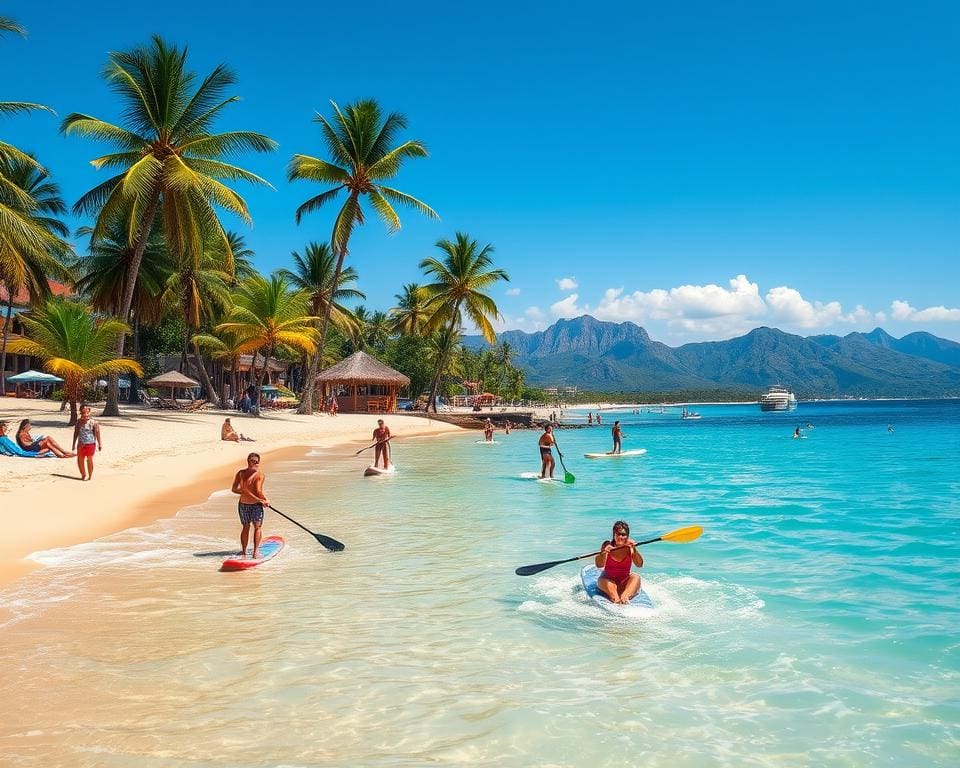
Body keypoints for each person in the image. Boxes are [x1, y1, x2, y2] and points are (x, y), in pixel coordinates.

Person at [595, 520, 643, 604]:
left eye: (623, 535)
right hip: (607, 581)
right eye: (618, 534)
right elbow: (599, 565)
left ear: (627, 536)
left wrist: (634, 549)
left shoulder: (630, 547)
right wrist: (603, 553)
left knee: (636, 577)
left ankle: (625, 598)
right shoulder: (607, 545)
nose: (620, 537)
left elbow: (639, 564)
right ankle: (616, 601)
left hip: (624, 582)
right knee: (611, 585)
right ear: (614, 535)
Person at [231, 452, 269, 559]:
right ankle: (253, 552)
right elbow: (258, 491)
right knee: (256, 527)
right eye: (253, 461)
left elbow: (235, 489)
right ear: (248, 461)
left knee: (250, 527)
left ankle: (246, 552)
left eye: (257, 462)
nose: (256, 463)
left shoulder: (241, 473)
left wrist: (244, 492)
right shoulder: (259, 475)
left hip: (244, 504)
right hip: (253, 505)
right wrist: (264, 500)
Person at [71, 404, 102, 480]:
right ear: (81, 413)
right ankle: (83, 474)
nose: (86, 414)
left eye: (87, 412)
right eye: (84, 412)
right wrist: (73, 443)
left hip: (90, 444)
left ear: (89, 412)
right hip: (81, 444)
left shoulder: (94, 422)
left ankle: (90, 476)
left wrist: (100, 443)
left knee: (89, 459)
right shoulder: (78, 422)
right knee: (80, 459)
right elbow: (76, 433)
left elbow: (97, 433)